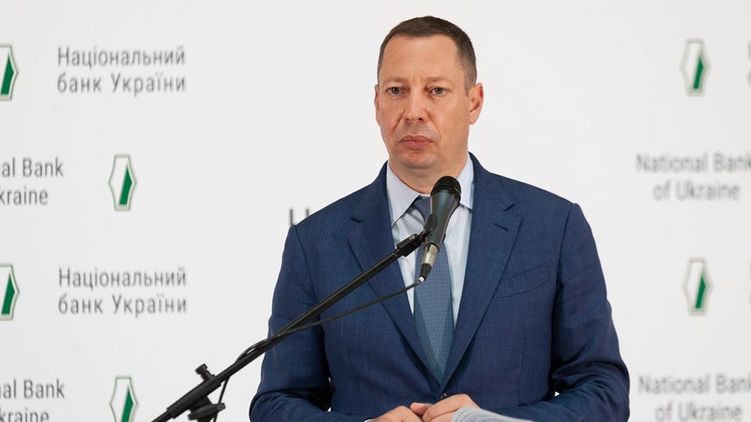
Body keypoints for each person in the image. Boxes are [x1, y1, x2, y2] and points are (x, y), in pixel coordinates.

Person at [250, 16, 629, 422]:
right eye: (397, 91)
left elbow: (603, 393)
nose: (414, 111)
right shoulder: (316, 243)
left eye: (436, 90)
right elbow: (277, 402)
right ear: (377, 103)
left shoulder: (553, 228)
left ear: (474, 102)